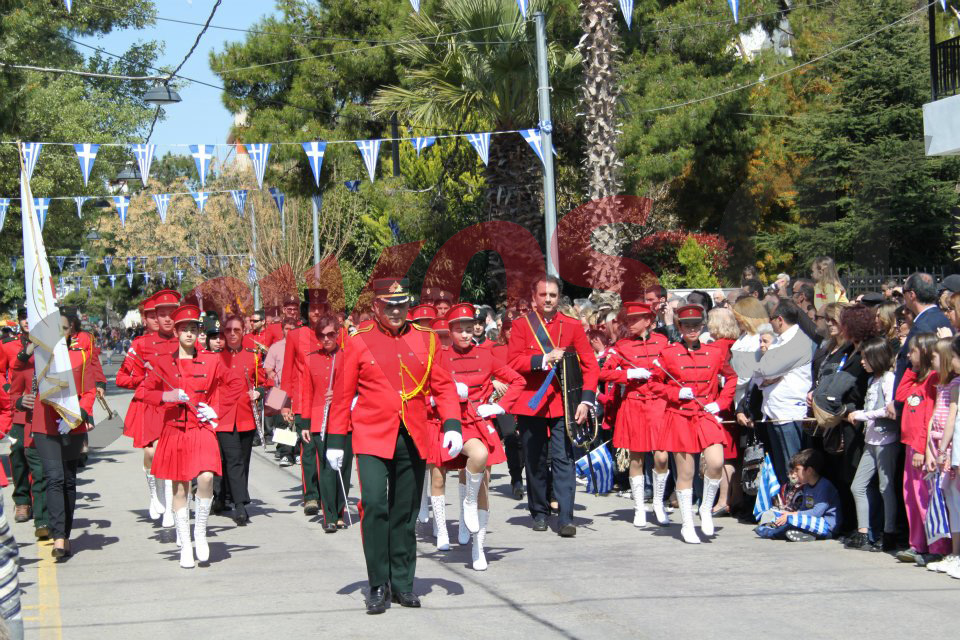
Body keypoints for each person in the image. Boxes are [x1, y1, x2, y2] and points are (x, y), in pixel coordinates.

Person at [325, 278, 462, 614]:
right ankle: (377, 583)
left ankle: (402, 583)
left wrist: (453, 424)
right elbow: (343, 395)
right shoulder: (359, 342)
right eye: (390, 305)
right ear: (377, 307)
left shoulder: (426, 339)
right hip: (371, 435)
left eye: (401, 304)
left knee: (405, 513)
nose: (397, 310)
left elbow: (443, 387)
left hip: (412, 435)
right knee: (374, 505)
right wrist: (335, 440)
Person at [143, 304, 244, 569]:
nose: (189, 334)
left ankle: (200, 531)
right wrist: (168, 396)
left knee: (207, 477)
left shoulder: (211, 360)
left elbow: (236, 383)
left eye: (194, 329)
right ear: (175, 332)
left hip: (201, 428)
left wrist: (216, 409)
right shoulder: (163, 362)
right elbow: (145, 392)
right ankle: (185, 544)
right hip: (175, 429)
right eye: (184, 329)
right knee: (179, 488)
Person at [433, 303, 524, 569]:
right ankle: (456, 514)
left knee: (483, 483)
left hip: (478, 422)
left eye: (468, 329)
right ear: (449, 331)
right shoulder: (440, 357)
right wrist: (447, 393)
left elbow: (516, 381)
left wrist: (499, 405)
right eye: (458, 330)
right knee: (466, 462)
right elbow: (425, 388)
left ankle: (478, 548)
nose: (464, 335)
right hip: (450, 423)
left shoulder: (486, 356)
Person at [507, 275, 599, 537]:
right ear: (534, 297)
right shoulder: (522, 325)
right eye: (543, 295)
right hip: (531, 402)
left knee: (563, 459)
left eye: (553, 295)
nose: (548, 299)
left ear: (559, 297)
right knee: (535, 460)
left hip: (564, 405)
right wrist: (543, 358)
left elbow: (591, 366)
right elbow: (512, 362)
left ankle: (566, 517)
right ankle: (538, 511)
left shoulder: (571, 325)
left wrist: (586, 399)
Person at [648, 304, 737, 544]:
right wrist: (676, 393)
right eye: (687, 325)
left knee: (717, 463)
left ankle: (706, 508)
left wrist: (720, 403)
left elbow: (731, 377)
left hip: (706, 413)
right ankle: (687, 523)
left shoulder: (714, 352)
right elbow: (654, 384)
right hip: (680, 416)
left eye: (697, 325)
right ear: (679, 327)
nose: (692, 329)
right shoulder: (669, 353)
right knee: (685, 473)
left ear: (703, 326)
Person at [14, 311, 97, 559]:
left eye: (63, 328)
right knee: (54, 478)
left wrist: (80, 414)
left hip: (71, 424)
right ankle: (58, 536)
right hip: (44, 424)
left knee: (69, 481)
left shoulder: (80, 355)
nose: (58, 333)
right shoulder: (39, 355)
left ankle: (66, 534)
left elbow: (90, 390)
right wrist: (30, 348)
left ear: (71, 330)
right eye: (53, 329)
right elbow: (16, 371)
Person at [115, 289, 181, 529]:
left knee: (175, 459)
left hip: (177, 406)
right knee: (153, 454)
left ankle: (173, 508)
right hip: (152, 406)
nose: (165, 319)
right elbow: (122, 378)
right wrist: (143, 382)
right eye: (160, 314)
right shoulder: (141, 344)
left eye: (170, 314)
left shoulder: (184, 340)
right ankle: (156, 494)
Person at [600, 301, 670, 527]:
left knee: (661, 457)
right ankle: (640, 507)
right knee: (636, 457)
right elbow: (603, 373)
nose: (629, 323)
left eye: (635, 319)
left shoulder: (663, 341)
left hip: (659, 404)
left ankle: (659, 503)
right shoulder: (622, 346)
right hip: (634, 404)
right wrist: (628, 374)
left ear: (649, 321)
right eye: (628, 319)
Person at [751, 300, 815, 485]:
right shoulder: (780, 340)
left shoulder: (797, 340)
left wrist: (768, 373)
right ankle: (787, 503)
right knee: (783, 469)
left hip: (790, 413)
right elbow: (758, 374)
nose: (769, 323)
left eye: (771, 319)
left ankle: (798, 506)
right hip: (774, 411)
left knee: (795, 467)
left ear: (779, 319)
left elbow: (768, 371)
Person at [844, 338, 898, 552]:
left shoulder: (888, 379)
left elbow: (889, 409)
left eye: (866, 358)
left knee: (886, 487)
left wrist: (863, 415)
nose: (863, 362)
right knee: (858, 485)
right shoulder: (872, 381)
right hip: (871, 440)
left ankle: (890, 532)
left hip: (887, 440)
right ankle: (864, 532)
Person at [894, 332, 943, 564]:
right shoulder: (916, 378)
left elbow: (929, 416)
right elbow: (900, 395)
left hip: (921, 447)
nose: (908, 355)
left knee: (924, 498)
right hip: (909, 446)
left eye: (912, 351)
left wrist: (922, 447)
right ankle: (917, 544)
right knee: (911, 497)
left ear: (923, 352)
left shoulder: (933, 379)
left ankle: (936, 545)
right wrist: (911, 369)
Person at [299, 314, 350, 533]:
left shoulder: (348, 357)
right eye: (322, 335)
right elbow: (306, 393)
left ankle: (339, 512)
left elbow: (357, 388)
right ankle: (328, 515)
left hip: (344, 419)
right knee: (327, 468)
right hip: (321, 421)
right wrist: (305, 424)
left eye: (331, 334)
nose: (327, 339)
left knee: (343, 468)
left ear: (337, 334)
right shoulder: (311, 359)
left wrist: (338, 393)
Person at [216, 314, 267, 526]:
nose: (233, 334)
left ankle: (224, 497)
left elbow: (264, 380)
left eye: (237, 330)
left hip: (246, 416)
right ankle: (240, 505)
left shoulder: (253, 356)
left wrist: (259, 392)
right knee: (233, 458)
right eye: (228, 331)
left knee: (242, 461)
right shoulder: (216, 358)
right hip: (224, 418)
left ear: (243, 332)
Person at [281, 290, 328, 508]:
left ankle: (329, 493)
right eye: (312, 308)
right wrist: (284, 404)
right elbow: (287, 371)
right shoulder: (295, 336)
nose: (316, 312)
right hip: (304, 401)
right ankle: (311, 495)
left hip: (328, 401)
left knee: (328, 449)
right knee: (308, 449)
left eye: (320, 307)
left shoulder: (334, 334)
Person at [4, 309, 48, 539]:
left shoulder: (50, 344)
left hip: (45, 409)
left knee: (42, 460)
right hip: (19, 409)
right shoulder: (8, 346)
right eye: (24, 317)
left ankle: (42, 508)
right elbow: (3, 375)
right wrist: (14, 398)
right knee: (18, 451)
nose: (27, 322)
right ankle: (22, 500)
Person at [754, 449, 840, 542]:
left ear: (809, 470)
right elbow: (804, 509)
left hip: (827, 527)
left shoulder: (824, 486)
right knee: (774, 513)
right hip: (809, 521)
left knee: (791, 519)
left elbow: (816, 513)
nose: (794, 474)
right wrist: (786, 514)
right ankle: (800, 533)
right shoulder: (807, 486)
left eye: (797, 470)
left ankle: (773, 532)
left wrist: (792, 515)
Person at [930, 334, 960, 576]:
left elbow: (953, 421)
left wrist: (943, 450)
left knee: (957, 503)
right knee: (952, 504)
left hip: (952, 451)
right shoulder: (947, 385)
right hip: (947, 449)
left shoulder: (956, 385)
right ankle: (954, 553)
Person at [896, 273, 951, 390]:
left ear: (911, 295)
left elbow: (912, 366)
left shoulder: (922, 327)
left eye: (903, 292)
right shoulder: (943, 318)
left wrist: (898, 404)